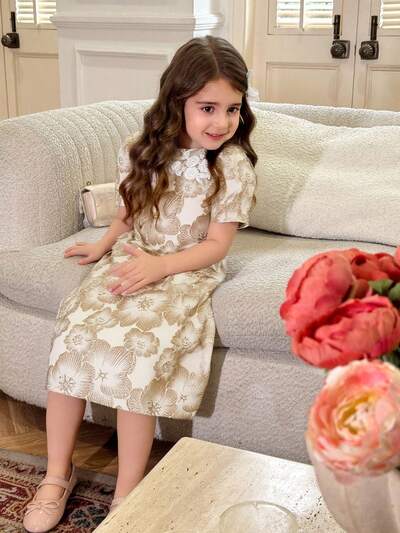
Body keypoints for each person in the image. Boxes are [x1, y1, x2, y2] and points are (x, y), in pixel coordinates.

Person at [23, 34, 257, 533]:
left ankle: (128, 492)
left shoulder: (233, 165)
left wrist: (160, 268)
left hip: (185, 269)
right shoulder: (141, 149)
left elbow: (217, 246)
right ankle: (57, 474)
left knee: (139, 352)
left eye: (232, 109)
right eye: (208, 108)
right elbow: (129, 212)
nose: (221, 122)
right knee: (74, 335)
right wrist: (103, 244)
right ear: (177, 101)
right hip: (133, 257)